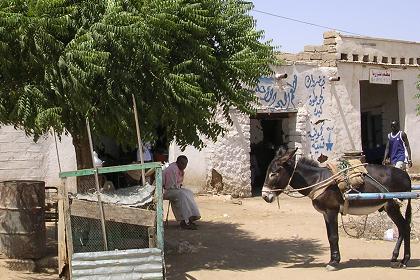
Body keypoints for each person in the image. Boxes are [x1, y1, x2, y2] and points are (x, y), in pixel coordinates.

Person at [163, 155, 201, 230]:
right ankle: (184, 221)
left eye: (185, 164)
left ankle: (191, 217)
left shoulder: (180, 170)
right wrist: (178, 188)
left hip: (172, 189)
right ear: (178, 162)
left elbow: (177, 185)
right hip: (163, 190)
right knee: (180, 194)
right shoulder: (172, 169)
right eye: (182, 163)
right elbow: (169, 186)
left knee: (189, 192)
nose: (184, 166)